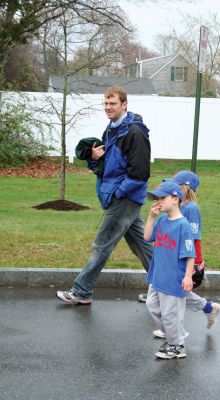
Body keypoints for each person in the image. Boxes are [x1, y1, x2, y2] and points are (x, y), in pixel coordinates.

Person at [56, 86, 153, 304]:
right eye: (106, 104)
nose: (108, 108)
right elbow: (104, 166)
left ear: (124, 105)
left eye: (113, 104)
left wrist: (118, 193)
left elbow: (140, 173)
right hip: (118, 197)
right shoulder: (111, 129)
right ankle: (166, 290)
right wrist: (93, 156)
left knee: (101, 245)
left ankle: (81, 291)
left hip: (124, 199)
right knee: (142, 247)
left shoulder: (134, 133)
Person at [151, 171, 220, 338]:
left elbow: (193, 239)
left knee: (175, 295)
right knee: (179, 293)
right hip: (175, 261)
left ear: (185, 188)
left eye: (176, 184)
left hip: (189, 263)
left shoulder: (190, 209)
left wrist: (193, 267)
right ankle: (209, 309)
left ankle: (175, 336)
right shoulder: (180, 207)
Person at [145, 181, 195, 359]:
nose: (158, 201)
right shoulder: (162, 220)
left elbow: (190, 254)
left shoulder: (183, 226)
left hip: (174, 279)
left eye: (161, 198)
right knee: (152, 306)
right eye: (156, 198)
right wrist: (151, 217)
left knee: (169, 314)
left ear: (175, 199)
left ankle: (177, 346)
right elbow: (147, 237)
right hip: (158, 276)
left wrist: (188, 276)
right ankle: (175, 333)